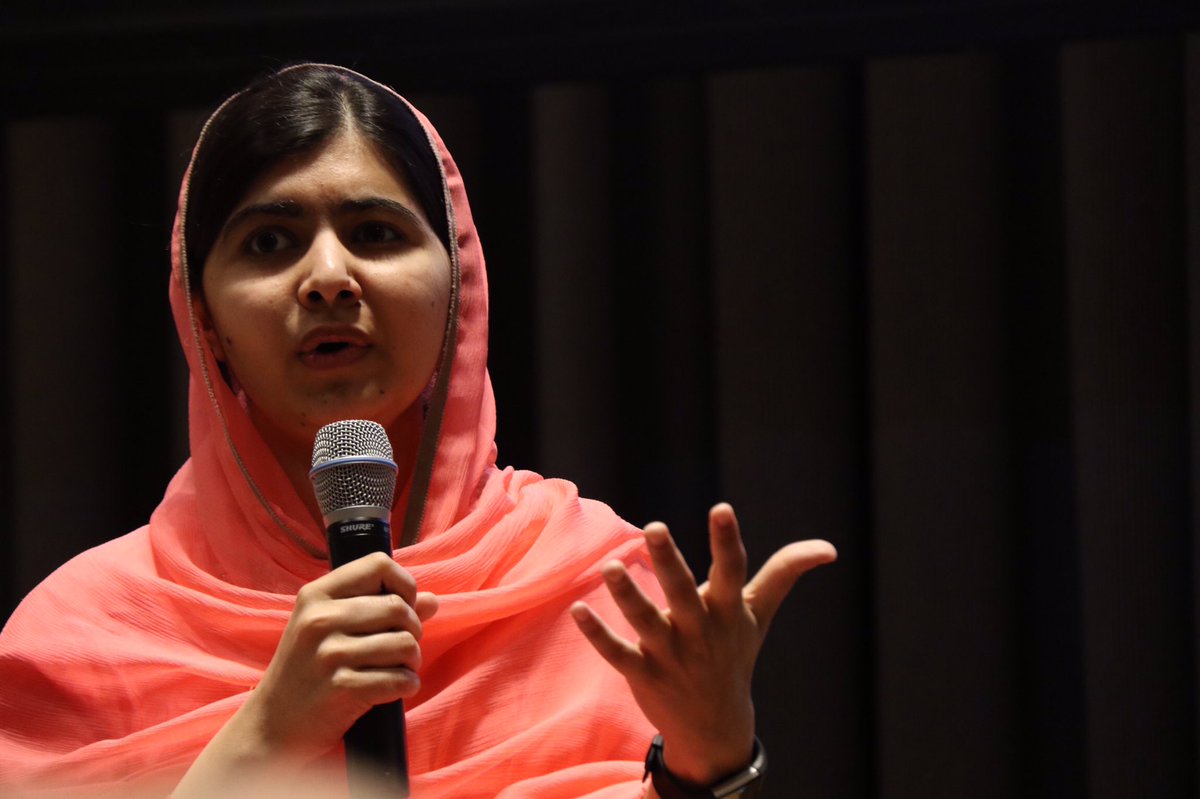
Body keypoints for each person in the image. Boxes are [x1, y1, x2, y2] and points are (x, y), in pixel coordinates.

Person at [0, 64, 835, 798]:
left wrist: (711, 762)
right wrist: (269, 731)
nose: (329, 277)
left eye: (375, 233)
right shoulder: (83, 639)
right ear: (204, 319)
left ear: (457, 288)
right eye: (269, 241)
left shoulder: (599, 586)